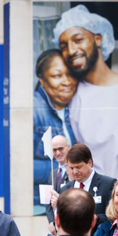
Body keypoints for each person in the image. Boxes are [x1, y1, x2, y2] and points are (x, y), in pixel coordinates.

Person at [54, 5, 118, 178]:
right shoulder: (72, 96)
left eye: (77, 40)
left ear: (98, 39)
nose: (71, 50)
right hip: (92, 197)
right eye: (64, 46)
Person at [33, 50, 77, 209]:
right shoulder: (33, 109)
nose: (67, 81)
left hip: (71, 204)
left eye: (70, 74)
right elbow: (21, 165)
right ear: (42, 80)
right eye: (57, 76)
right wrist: (62, 168)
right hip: (39, 205)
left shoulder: (74, 109)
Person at [47, 143, 115, 233]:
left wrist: (94, 218)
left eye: (78, 167)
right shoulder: (65, 190)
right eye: (71, 168)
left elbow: (114, 216)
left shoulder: (108, 184)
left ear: (89, 163)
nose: (75, 172)